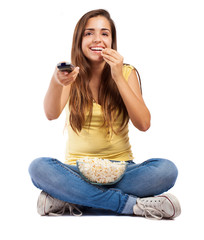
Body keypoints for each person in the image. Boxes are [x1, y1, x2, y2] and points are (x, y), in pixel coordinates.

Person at [28, 9, 181, 219]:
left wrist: (118, 76)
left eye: (104, 33)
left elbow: (144, 124)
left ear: (112, 40)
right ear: (79, 40)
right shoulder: (70, 76)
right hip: (77, 171)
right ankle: (131, 205)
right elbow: (51, 114)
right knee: (38, 167)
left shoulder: (127, 73)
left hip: (122, 171)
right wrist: (56, 82)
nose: (97, 39)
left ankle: (71, 198)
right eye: (89, 33)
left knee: (166, 170)